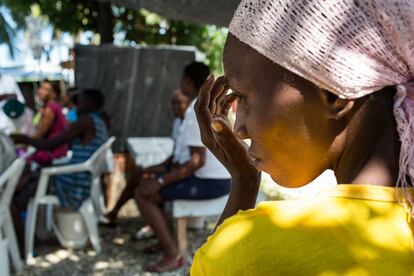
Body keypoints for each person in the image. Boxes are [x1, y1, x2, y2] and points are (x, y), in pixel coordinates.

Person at [190, 0, 414, 275]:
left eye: (244, 97)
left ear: (334, 94)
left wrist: (244, 184)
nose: (239, 129)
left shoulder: (251, 251)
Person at [105, 90, 190, 225]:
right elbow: (175, 154)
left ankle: (157, 225)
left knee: (145, 189)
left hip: (183, 171)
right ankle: (115, 211)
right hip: (173, 165)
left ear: (188, 104)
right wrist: (159, 167)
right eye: (173, 104)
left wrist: (161, 178)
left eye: (179, 104)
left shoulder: (191, 123)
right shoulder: (178, 123)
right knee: (139, 172)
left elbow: (194, 161)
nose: (175, 107)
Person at [28, 80, 68, 165]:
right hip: (52, 149)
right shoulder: (51, 107)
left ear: (54, 94)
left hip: (51, 152)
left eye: (46, 89)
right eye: (41, 88)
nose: (40, 91)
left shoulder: (50, 109)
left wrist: (24, 141)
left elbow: (40, 133)